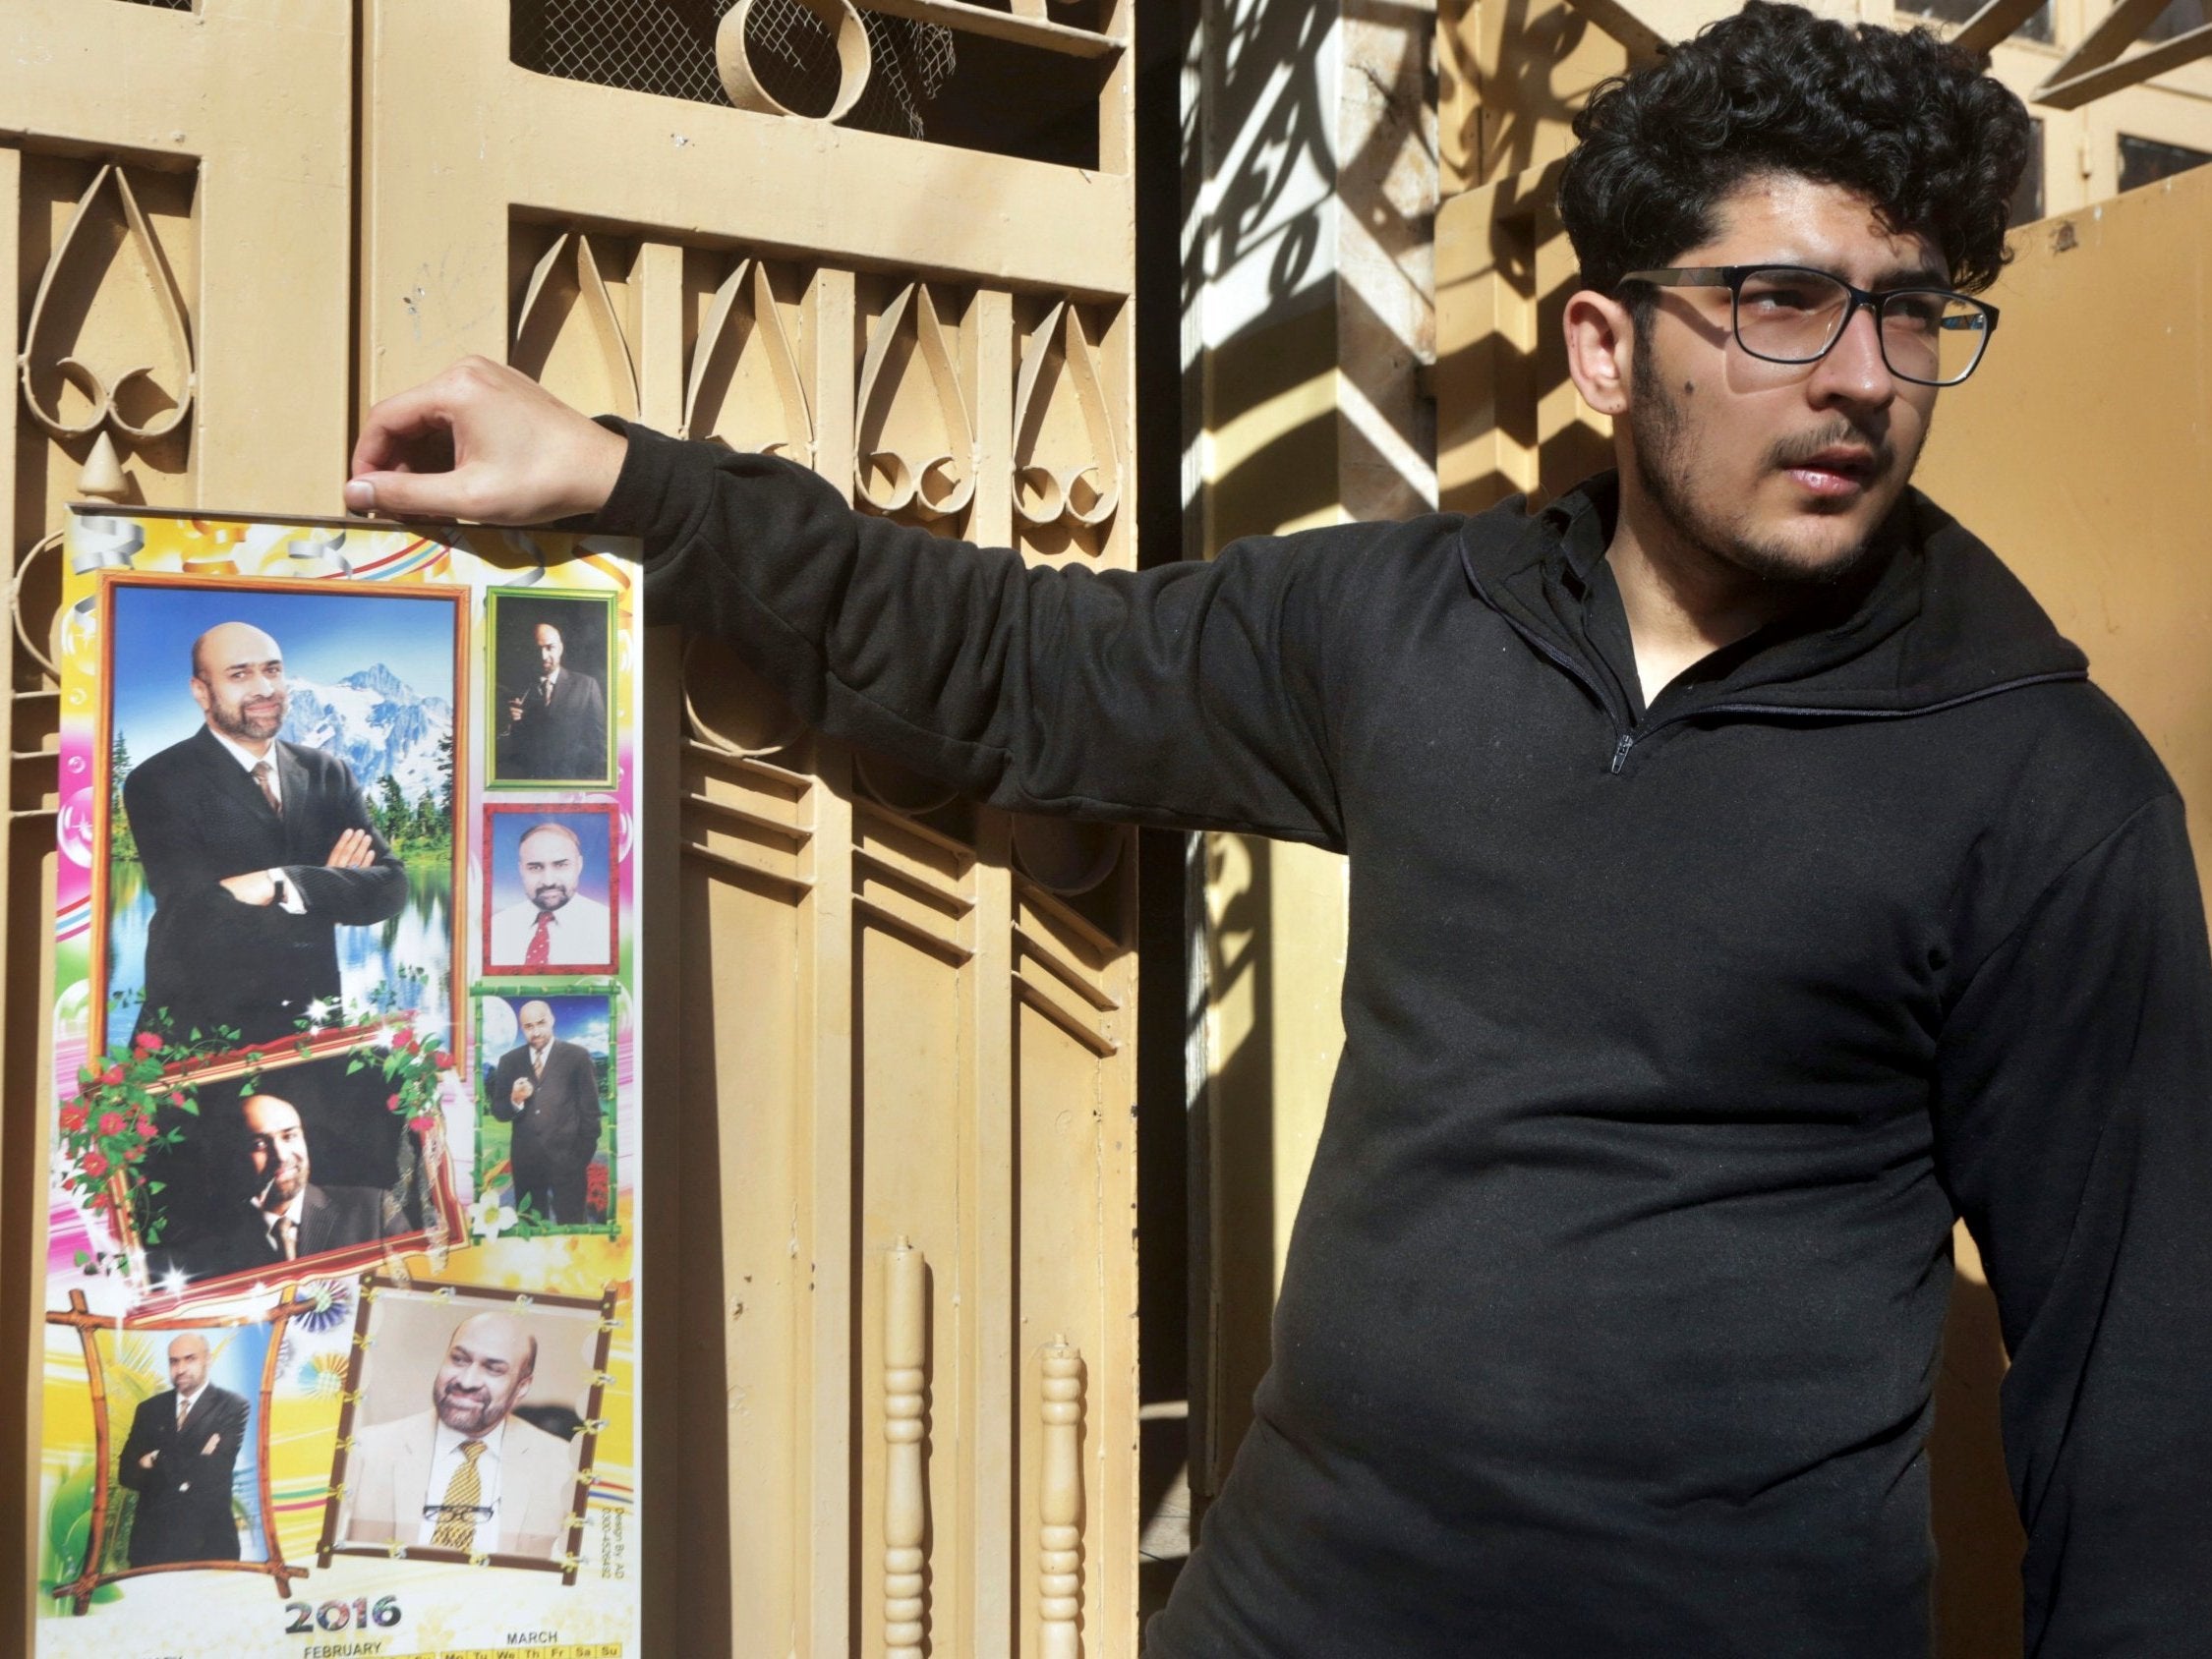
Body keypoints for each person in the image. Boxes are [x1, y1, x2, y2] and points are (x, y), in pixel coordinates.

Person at [344, 6, 2212, 1650]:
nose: (1867, 378)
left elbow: (2138, 1387)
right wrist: (627, 481)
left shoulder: (2041, 785)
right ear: (1602, 344)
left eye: (1912, 312)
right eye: (1784, 300)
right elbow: (1022, 665)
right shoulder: (1408, 626)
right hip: (1299, 1603)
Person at [122, 620, 408, 1048]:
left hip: (311, 1029)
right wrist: (330, 887)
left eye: (272, 670)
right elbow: (198, 920)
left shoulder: (326, 772)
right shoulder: (160, 780)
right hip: (203, 1036)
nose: (264, 688)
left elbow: (391, 887)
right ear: (201, 691)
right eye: (240, 674)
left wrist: (281, 882)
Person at [341, 1311, 580, 1560]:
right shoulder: (366, 1450)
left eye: (494, 1369)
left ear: (522, 1386)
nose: (467, 1381)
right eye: (459, 1360)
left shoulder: (564, 1469)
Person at [189, 1093, 409, 1283]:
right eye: (259, 1144)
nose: (282, 1155)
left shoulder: (375, 1211)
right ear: (234, 1156)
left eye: (289, 1136)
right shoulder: (214, 1246)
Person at [114, 1333, 250, 1568]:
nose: (181, 1368)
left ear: (208, 1360)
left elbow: (215, 1471)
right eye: (174, 1361)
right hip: (151, 1546)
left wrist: (154, 1458)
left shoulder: (232, 1406)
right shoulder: (148, 1410)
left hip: (209, 1546)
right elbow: (126, 1474)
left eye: (190, 1359)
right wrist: (198, 1456)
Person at [486, 1000, 603, 1225]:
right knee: (531, 1231)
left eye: (541, 1023)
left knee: (573, 1228)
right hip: (526, 1165)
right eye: (529, 1026)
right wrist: (515, 1099)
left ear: (552, 1020)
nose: (536, 1031)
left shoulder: (577, 1057)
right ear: (522, 1028)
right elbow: (499, 1111)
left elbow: (591, 1114)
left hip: (569, 1163)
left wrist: (581, 1158)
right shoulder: (509, 1062)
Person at [486, 823, 612, 972]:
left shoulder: (608, 927)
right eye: (535, 867)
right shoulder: (497, 927)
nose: (548, 881)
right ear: (521, 870)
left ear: (579, 865)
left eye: (560, 865)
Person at [498, 616, 608, 781]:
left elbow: (599, 744)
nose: (543, 656)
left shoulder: (586, 685)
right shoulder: (514, 690)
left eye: (550, 647)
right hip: (527, 785)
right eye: (537, 649)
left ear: (561, 649)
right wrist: (506, 724)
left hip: (573, 784)